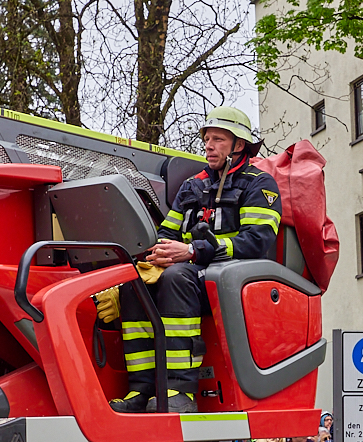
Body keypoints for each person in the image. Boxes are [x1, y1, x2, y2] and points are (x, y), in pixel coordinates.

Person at [111, 106, 282, 414]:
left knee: (176, 278)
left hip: (231, 278)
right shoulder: (193, 185)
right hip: (191, 275)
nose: (209, 146)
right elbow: (167, 233)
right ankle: (143, 389)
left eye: (218, 139)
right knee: (134, 284)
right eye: (206, 139)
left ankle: (180, 390)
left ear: (239, 144)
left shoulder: (259, 184)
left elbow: (257, 241)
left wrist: (192, 251)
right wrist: (157, 255)